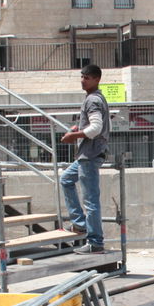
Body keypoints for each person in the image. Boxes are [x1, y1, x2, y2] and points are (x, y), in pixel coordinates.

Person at [59, 63, 110, 254]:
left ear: (96, 79)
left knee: (90, 200)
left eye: (87, 77)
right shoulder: (95, 98)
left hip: (90, 155)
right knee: (66, 179)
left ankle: (95, 242)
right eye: (82, 76)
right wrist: (76, 129)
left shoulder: (93, 100)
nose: (83, 80)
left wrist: (75, 136)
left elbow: (96, 128)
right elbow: (97, 124)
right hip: (87, 155)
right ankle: (80, 224)